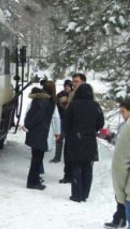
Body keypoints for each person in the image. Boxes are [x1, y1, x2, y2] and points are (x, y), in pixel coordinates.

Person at [63, 83, 104, 202]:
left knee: (76, 165)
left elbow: (66, 122)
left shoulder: (73, 105)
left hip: (75, 139)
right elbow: (101, 123)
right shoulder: (95, 106)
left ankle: (76, 194)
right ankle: (85, 193)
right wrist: (92, 129)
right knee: (88, 167)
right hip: (90, 139)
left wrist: (71, 132)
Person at [23, 81, 60, 190]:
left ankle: (34, 179)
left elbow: (31, 113)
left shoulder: (39, 99)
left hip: (36, 132)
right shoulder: (47, 101)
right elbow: (49, 117)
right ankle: (33, 181)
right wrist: (57, 131)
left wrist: (27, 125)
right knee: (37, 158)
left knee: (36, 157)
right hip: (41, 132)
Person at [105, 100, 130, 229]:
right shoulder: (124, 125)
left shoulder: (128, 127)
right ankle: (120, 218)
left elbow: (121, 158)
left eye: (123, 112)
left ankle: (120, 218)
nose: (122, 115)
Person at [59, 73, 87, 184]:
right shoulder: (71, 94)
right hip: (71, 128)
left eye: (76, 81)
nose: (74, 84)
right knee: (68, 152)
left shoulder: (87, 93)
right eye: (73, 81)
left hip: (82, 129)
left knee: (79, 155)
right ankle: (68, 174)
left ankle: (77, 176)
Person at [50, 79, 73, 163]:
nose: (67, 88)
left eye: (68, 86)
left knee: (70, 141)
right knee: (59, 139)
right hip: (62, 120)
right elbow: (57, 103)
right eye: (66, 86)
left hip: (71, 121)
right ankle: (57, 157)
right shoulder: (61, 95)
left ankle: (69, 157)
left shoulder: (74, 95)